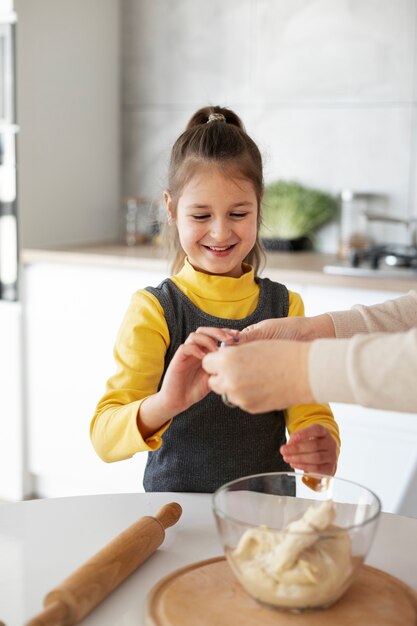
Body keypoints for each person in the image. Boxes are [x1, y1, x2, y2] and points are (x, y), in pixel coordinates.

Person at [90, 105, 340, 491]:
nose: (221, 233)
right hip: (177, 517)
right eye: (201, 216)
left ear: (259, 205)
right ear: (171, 209)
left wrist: (321, 442)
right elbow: (105, 438)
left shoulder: (286, 307)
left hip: (266, 516)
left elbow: (309, 410)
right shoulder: (155, 310)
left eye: (238, 213)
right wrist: (168, 403)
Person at [202, 291, 417, 419]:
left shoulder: (284, 300)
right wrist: (312, 332)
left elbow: (309, 414)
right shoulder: (168, 304)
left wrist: (300, 369)